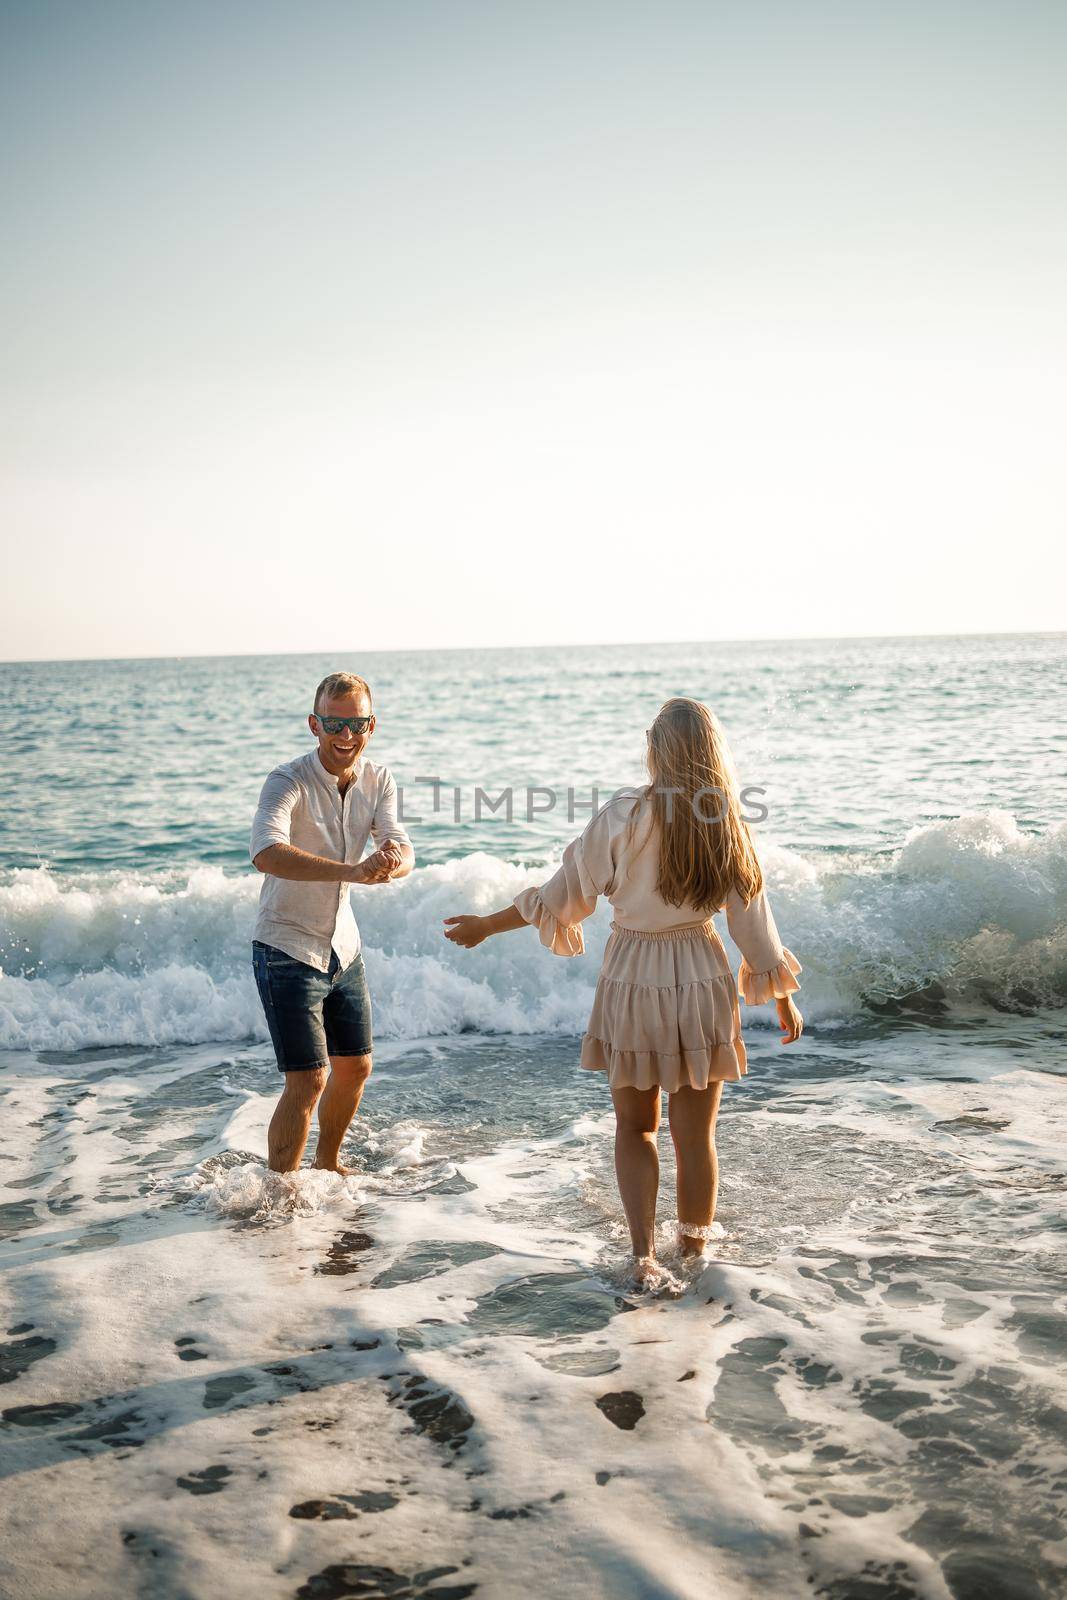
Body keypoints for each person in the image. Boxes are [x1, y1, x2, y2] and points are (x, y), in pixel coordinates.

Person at [443, 696, 802, 1290]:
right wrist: (782, 994)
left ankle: (643, 1257)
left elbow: (564, 896)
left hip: (634, 976)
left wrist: (487, 924)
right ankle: (694, 1251)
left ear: (656, 752)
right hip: (702, 973)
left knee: (635, 1127)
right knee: (696, 1136)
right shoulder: (727, 824)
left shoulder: (623, 816)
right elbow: (752, 921)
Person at [250, 671, 414, 1175]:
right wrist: (352, 871)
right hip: (286, 948)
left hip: (344, 947)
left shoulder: (379, 779)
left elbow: (402, 847)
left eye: (357, 725)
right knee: (308, 1080)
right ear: (314, 724)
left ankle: (327, 1164)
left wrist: (392, 861)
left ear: (372, 725)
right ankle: (281, 1189)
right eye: (334, 724)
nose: (346, 737)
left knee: (356, 1066)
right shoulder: (287, 781)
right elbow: (266, 852)